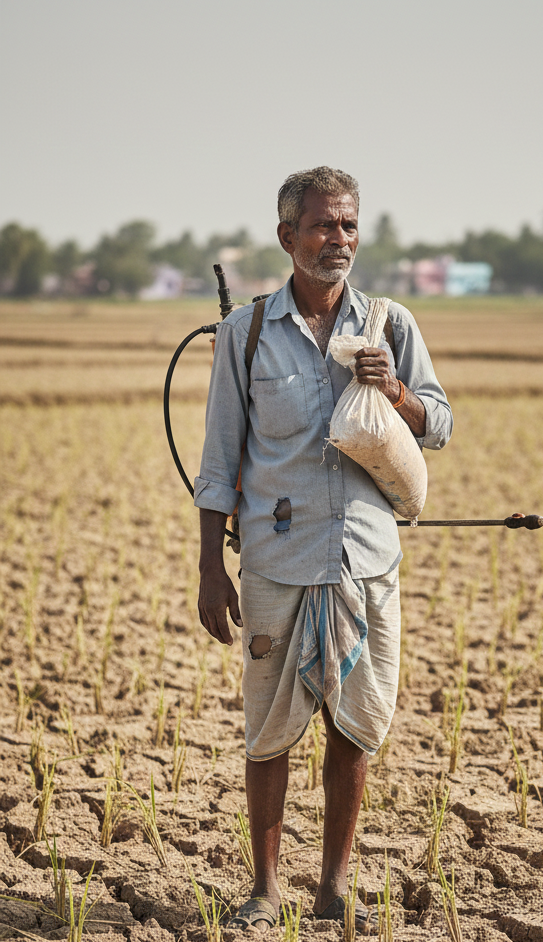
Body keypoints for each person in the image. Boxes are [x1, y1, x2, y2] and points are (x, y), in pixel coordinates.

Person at [194, 167, 452, 933]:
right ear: (287, 237)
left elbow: (439, 423)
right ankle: (265, 891)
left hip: (365, 561)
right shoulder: (245, 335)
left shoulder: (390, 326)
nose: (337, 239)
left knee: (353, 726)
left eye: (348, 226)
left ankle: (335, 886)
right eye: (321, 226)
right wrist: (211, 567)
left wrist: (397, 393)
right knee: (268, 732)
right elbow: (217, 464)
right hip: (276, 559)